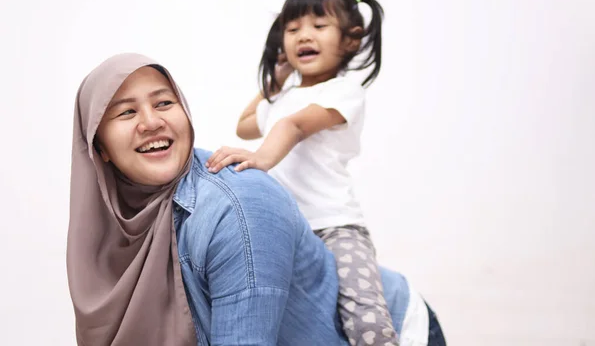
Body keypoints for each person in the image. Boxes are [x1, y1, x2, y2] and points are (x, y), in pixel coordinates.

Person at [67, 52, 446, 345]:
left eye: (164, 103)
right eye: (126, 112)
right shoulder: (114, 230)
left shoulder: (237, 212)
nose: (151, 122)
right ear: (98, 147)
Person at [205, 0, 400, 346]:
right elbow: (245, 124)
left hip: (334, 226)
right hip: (287, 229)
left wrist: (262, 158)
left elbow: (292, 126)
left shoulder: (343, 91)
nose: (303, 36)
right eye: (292, 29)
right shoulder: (283, 100)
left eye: (319, 26)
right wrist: (275, 84)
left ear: (350, 40)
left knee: (366, 318)